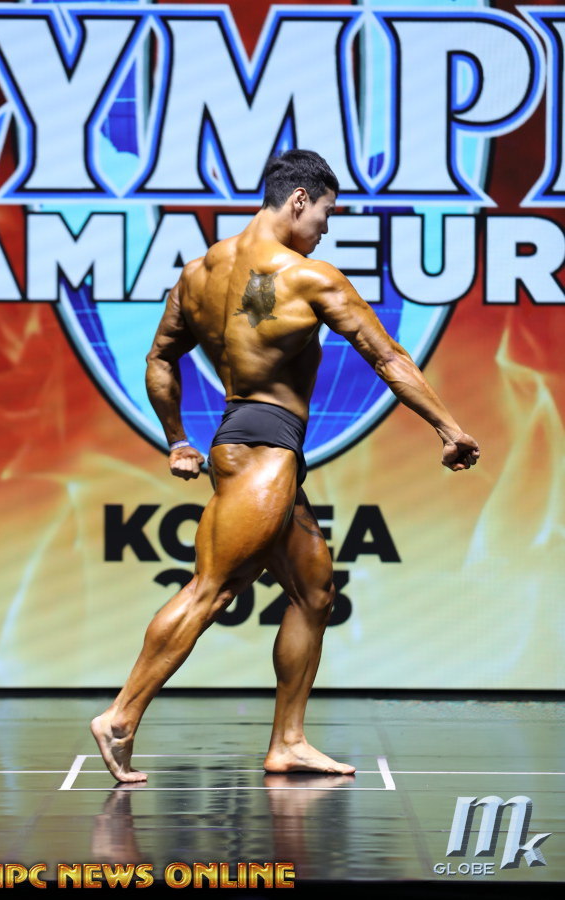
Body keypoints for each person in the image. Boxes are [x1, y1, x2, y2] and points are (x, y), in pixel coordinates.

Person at [91, 149, 480, 782]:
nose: (325, 229)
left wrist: (178, 439)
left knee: (314, 591)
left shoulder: (198, 273)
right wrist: (448, 428)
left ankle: (288, 742)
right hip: (264, 452)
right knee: (212, 590)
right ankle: (120, 716)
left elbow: (160, 358)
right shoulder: (308, 277)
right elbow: (387, 358)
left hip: (245, 444)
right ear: (299, 200)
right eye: (327, 212)